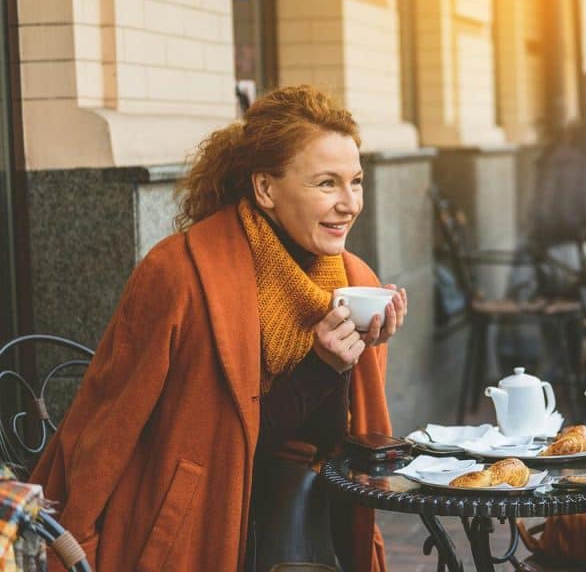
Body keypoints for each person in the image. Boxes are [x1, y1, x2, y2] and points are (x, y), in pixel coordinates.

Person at [30, 85, 407, 571]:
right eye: (326, 183)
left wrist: (362, 358)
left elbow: (338, 445)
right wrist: (72, 543)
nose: (350, 203)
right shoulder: (180, 274)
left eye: (356, 181)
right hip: (199, 535)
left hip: (310, 535)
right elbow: (108, 430)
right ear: (266, 188)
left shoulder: (356, 281)